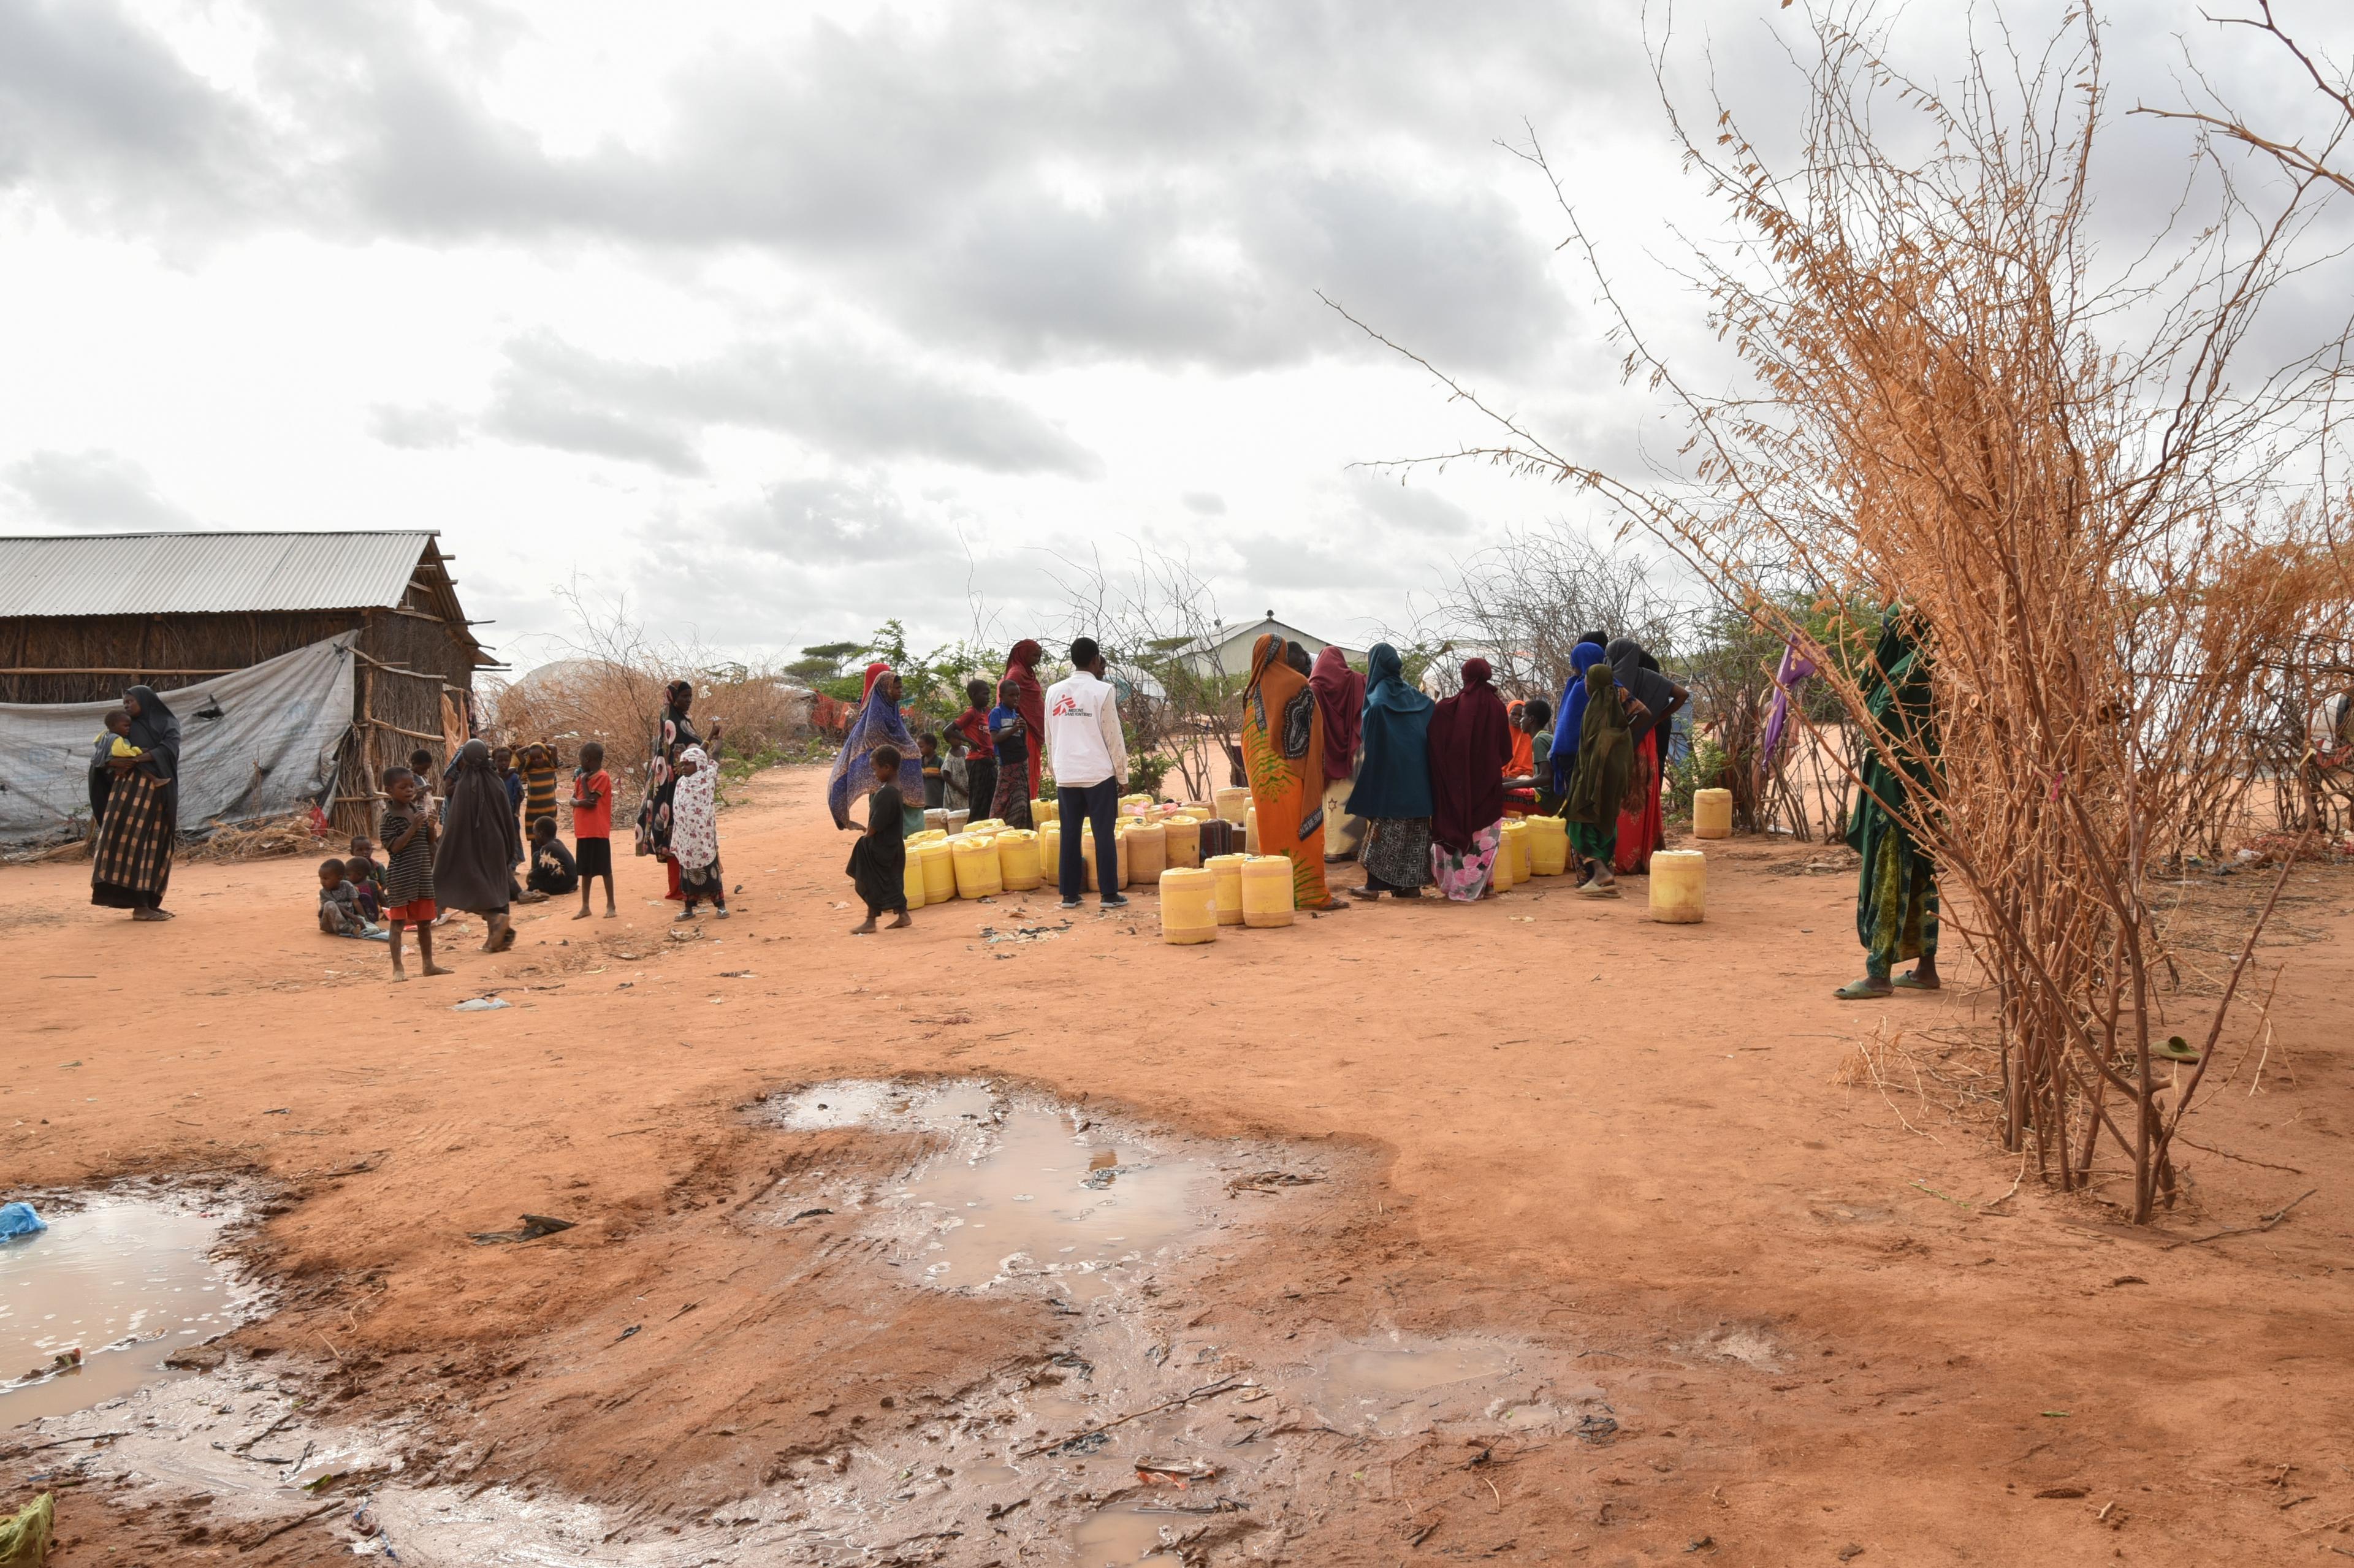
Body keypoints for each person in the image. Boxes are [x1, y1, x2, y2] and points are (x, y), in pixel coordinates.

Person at [1838, 609, 1941, 999]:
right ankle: (1925, 969)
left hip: (1896, 795)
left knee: (1888, 876)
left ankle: (1878, 973)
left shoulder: (1906, 675)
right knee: (1920, 876)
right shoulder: (1929, 669)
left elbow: (1880, 722)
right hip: (1924, 792)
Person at [1240, 634, 1344, 912]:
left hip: (1262, 778)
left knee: (1271, 830)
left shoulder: (1251, 691)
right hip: (1290, 775)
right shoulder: (1296, 683)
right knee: (1301, 831)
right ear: (1281, 655)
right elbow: (1309, 732)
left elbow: (1249, 740)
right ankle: (1310, 895)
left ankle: (1277, 893)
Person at [1043, 636, 1129, 909]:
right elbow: (1113, 735)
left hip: (1067, 772)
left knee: (1069, 832)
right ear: (1095, 660)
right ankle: (1109, 894)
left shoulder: (1054, 692)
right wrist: (1122, 774)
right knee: (1103, 833)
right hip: (1097, 773)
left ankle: (1069, 894)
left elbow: (1050, 735)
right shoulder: (1102, 690)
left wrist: (1056, 769)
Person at [1347, 642, 1436, 900]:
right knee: (1415, 834)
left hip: (1390, 781)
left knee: (1383, 833)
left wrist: (1369, 787)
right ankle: (1410, 887)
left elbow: (1373, 750)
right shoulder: (1418, 699)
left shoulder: (1377, 704)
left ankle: (1373, 887)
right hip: (1420, 782)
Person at [1424, 658, 1514, 900]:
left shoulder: (1450, 707)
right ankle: (1487, 886)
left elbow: (1435, 741)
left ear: (1465, 676)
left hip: (1458, 786)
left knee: (1461, 829)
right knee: (1484, 836)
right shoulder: (1497, 706)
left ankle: (1457, 887)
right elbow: (1506, 752)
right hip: (1488, 785)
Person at [91, 684, 181, 920]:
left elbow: (168, 750)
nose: (126, 706)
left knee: (158, 845)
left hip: (159, 792)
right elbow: (102, 755)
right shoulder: (120, 728)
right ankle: (139, 906)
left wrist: (136, 759)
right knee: (133, 846)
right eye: (124, 703)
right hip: (128, 797)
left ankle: (151, 901)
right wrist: (113, 763)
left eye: (130, 701)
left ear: (145, 701)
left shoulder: (167, 723)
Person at [1604, 639, 1687, 876]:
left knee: (1621, 800)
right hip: (1645, 742)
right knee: (1643, 796)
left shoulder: (1611, 680)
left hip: (1619, 744)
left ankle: (1621, 857)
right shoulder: (1651, 677)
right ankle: (1643, 855)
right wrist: (1656, 719)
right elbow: (1682, 694)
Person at [636, 680, 725, 904]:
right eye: (685, 697)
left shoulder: (682, 719)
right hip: (673, 788)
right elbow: (684, 760)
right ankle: (679, 889)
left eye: (691, 697)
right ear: (673, 697)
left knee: (690, 833)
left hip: (683, 786)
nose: (689, 701)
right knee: (676, 834)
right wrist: (710, 738)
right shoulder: (671, 721)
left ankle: (698, 886)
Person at [436, 737, 521, 953]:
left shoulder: (463, 785)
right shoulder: (496, 782)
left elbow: (455, 824)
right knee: (496, 887)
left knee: (470, 889)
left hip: (471, 848)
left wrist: (446, 850)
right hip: (498, 844)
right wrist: (510, 847)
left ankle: (495, 921)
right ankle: (497, 938)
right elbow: (507, 816)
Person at [828, 663, 926, 837]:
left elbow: (901, 740)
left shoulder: (892, 710)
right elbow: (877, 744)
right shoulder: (874, 714)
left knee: (907, 826)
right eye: (896, 687)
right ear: (884, 686)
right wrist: (909, 752)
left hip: (901, 784)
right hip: (886, 784)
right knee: (887, 822)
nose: (900, 691)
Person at [1564, 658, 1634, 896]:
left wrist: (1584, 783)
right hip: (1615, 778)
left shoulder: (1594, 710)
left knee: (1577, 823)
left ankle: (1601, 873)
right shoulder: (1617, 707)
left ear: (1592, 685)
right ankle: (1605, 881)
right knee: (1605, 822)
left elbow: (1589, 751)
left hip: (1593, 777)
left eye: (1587, 681)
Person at [378, 765, 449, 981]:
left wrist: (430, 827)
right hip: (401, 877)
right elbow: (394, 847)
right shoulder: (388, 818)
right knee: (398, 924)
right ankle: (398, 968)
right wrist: (412, 828)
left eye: (411, 786)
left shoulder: (417, 811)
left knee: (425, 923)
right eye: (403, 787)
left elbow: (429, 844)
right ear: (390, 790)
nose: (409, 790)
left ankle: (429, 965)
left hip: (422, 875)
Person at [845, 744, 914, 934]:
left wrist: (867, 837)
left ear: (887, 767)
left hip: (883, 847)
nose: (874, 773)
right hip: (894, 845)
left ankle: (870, 921)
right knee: (891, 881)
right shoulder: (895, 788)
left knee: (872, 881)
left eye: (875, 769)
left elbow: (878, 822)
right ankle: (903, 915)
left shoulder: (887, 793)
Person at [1309, 645, 1366, 862]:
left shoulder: (1315, 687)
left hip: (1328, 753)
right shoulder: (1358, 680)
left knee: (1333, 800)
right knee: (1354, 796)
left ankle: (1334, 849)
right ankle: (1356, 846)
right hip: (1355, 750)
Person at [669, 742, 728, 919]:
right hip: (685, 839)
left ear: (700, 764)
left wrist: (718, 739)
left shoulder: (707, 778)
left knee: (710, 871)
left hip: (703, 838)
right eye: (682, 764)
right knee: (687, 875)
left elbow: (715, 755)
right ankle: (688, 909)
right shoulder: (681, 783)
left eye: (688, 764)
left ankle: (721, 906)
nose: (684, 768)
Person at [1547, 642, 1610, 807]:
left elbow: (1568, 727)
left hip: (1576, 755)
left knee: (1578, 803)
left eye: (1574, 661)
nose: (1572, 666)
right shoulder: (1613, 686)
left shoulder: (1583, 687)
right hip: (1600, 753)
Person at [569, 739, 617, 920]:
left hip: (598, 830)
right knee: (586, 870)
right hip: (583, 831)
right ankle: (585, 906)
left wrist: (582, 782)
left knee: (605, 869)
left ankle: (611, 904)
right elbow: (574, 800)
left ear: (587, 759)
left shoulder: (602, 777)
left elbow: (591, 802)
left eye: (581, 758)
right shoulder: (584, 777)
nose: (580, 762)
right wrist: (579, 800)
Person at [1003, 638, 1049, 801]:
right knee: (1026, 773)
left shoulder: (1028, 673)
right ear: (1023, 654)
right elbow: (1007, 702)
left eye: (1039, 656)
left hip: (1033, 730)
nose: (1037, 660)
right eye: (1034, 655)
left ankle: (1031, 805)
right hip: (1023, 729)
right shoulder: (1016, 674)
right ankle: (1025, 810)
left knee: (1033, 772)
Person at [987, 679, 1034, 829]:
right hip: (1008, 764)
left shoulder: (1015, 714)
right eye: (1011, 695)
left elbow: (1020, 741)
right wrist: (1014, 729)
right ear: (1001, 696)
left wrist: (1023, 729)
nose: (1016, 698)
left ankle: (1020, 829)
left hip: (1021, 761)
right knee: (1005, 797)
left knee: (1021, 798)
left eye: (1018, 695)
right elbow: (995, 739)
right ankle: (998, 828)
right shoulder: (997, 713)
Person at [950, 679, 998, 824]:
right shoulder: (971, 713)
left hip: (989, 761)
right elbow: (949, 731)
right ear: (973, 695)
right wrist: (970, 741)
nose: (988, 697)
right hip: (977, 761)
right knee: (979, 803)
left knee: (992, 801)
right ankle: (974, 833)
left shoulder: (988, 712)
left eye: (989, 694)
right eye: (985, 694)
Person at [318, 859, 379, 937]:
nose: (322, 882)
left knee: (367, 924)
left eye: (326, 878)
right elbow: (338, 907)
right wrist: (354, 917)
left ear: (339, 878)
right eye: (321, 878)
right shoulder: (323, 892)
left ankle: (354, 927)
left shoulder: (347, 885)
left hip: (348, 920)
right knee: (330, 904)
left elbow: (356, 902)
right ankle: (350, 930)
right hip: (330, 925)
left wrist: (365, 920)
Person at [527, 818, 579, 898]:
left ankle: (533, 890)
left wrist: (530, 875)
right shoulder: (558, 842)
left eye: (535, 834)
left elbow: (541, 871)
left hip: (563, 886)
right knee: (537, 855)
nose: (535, 837)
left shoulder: (547, 849)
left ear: (541, 834)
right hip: (572, 883)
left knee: (533, 882)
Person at [519, 742, 561, 840]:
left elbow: (554, 748)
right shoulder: (529, 771)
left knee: (549, 838)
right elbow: (518, 753)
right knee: (536, 839)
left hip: (549, 811)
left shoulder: (551, 767)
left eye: (539, 757)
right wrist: (532, 745)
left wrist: (540, 745)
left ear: (545, 756)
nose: (536, 760)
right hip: (534, 811)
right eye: (533, 759)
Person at [917, 732, 946, 809]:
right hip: (923, 800)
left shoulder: (939, 761)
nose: (919, 749)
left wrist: (932, 775)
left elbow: (946, 777)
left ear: (931, 746)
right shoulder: (919, 762)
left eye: (921, 747)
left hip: (937, 800)